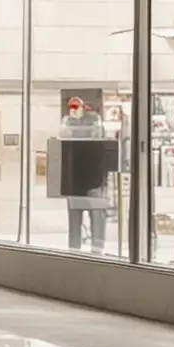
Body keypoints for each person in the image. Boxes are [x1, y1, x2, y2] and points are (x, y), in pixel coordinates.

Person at [59, 97, 111, 253]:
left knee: (90, 218)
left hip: (85, 180)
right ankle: (86, 249)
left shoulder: (89, 125)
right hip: (82, 181)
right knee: (88, 219)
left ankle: (89, 249)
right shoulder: (70, 126)